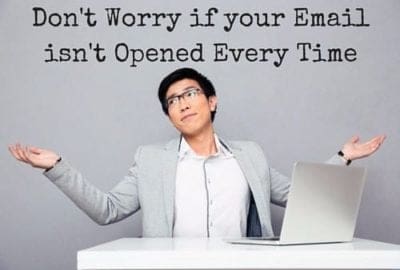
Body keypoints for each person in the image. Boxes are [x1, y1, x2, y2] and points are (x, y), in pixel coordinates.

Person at [8, 67, 385, 238]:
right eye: (173, 101)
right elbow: (108, 211)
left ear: (211, 101)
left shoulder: (249, 156)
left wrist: (343, 156)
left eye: (190, 94)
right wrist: (56, 166)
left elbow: (301, 198)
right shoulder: (150, 160)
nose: (183, 104)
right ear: (171, 118)